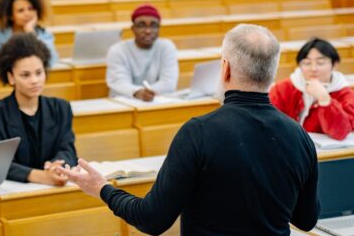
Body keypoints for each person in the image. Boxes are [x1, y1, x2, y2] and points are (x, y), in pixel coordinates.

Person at [61, 24, 319, 236]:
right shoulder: (298, 135)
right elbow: (306, 220)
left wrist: (103, 188)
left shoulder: (199, 132)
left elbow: (152, 219)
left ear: (225, 68)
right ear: (272, 72)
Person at [0, 32, 76, 185]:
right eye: (25, 75)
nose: (35, 81)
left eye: (39, 73)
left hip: (54, 186)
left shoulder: (61, 108)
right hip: (15, 190)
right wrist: (41, 176)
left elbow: (68, 150)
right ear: (11, 77)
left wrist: (56, 167)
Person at [270, 38, 354, 140]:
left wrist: (325, 100)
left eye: (320, 63)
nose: (313, 69)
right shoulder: (282, 89)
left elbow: (340, 132)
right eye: (307, 63)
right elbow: (270, 123)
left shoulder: (345, 94)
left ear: (334, 65)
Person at [106, 4, 178, 101]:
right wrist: (137, 92)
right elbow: (118, 82)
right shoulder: (117, 50)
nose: (148, 31)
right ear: (133, 28)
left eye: (153, 25)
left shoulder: (166, 47)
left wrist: (148, 93)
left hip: (157, 101)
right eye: (141, 25)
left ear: (159, 28)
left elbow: (169, 82)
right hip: (125, 102)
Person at [0, 0, 58, 68]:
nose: (27, 14)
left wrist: (30, 32)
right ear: (11, 16)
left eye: (30, 9)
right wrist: (17, 59)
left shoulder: (42, 33)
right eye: (21, 10)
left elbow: (52, 60)